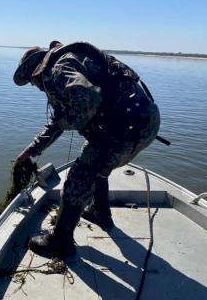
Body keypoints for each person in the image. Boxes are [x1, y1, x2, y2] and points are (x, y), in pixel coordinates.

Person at [13, 41, 160, 258]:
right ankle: (100, 213)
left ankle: (60, 243)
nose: (36, 87)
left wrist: (68, 121)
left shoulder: (59, 69)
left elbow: (89, 99)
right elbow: (59, 120)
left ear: (35, 73)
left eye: (33, 83)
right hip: (140, 122)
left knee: (77, 180)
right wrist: (32, 150)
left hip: (127, 130)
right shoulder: (69, 60)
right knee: (95, 161)